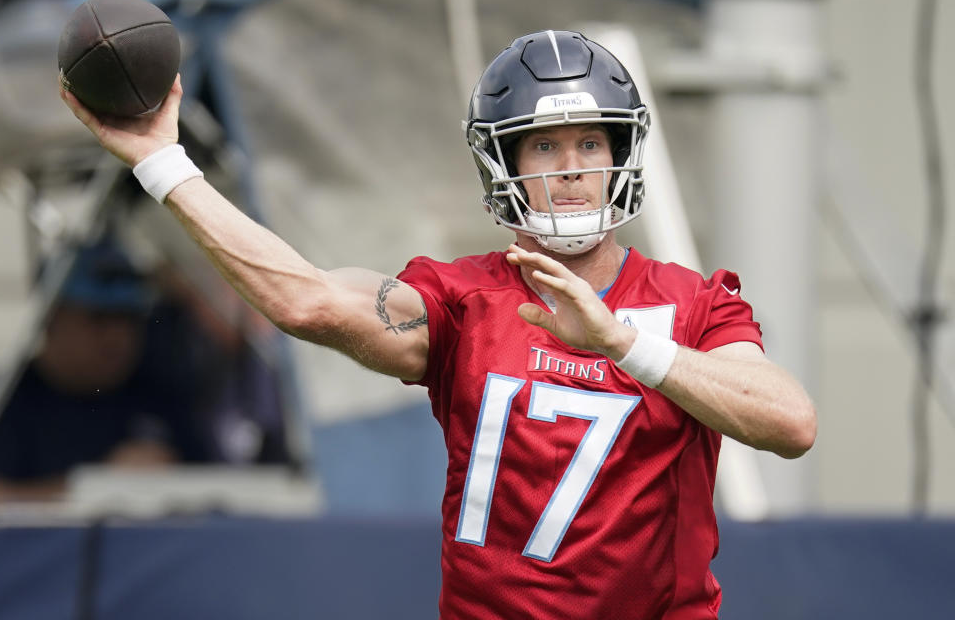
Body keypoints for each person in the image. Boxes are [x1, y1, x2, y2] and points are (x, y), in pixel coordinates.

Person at [60, 30, 816, 619]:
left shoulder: (692, 303)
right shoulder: (462, 301)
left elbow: (789, 422)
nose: (570, 167)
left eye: (590, 142)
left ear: (621, 154)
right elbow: (308, 300)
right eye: (544, 146)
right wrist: (164, 164)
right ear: (504, 166)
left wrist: (626, 344)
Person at [0, 241, 211, 502]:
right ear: (50, 318)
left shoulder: (160, 397)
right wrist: (97, 489)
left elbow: (225, 489)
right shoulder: (6, 398)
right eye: (98, 318)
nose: (116, 337)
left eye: (128, 318)